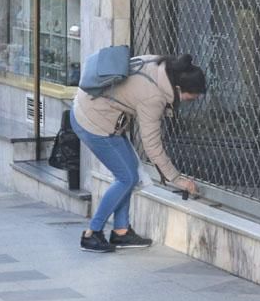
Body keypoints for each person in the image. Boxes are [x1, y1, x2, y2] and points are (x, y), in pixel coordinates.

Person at [72, 54, 206, 253]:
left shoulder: (159, 65)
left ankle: (121, 231)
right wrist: (177, 179)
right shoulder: (154, 97)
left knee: (129, 174)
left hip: (97, 112)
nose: (189, 102)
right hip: (92, 121)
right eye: (190, 98)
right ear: (178, 89)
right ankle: (92, 234)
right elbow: (152, 145)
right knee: (126, 178)